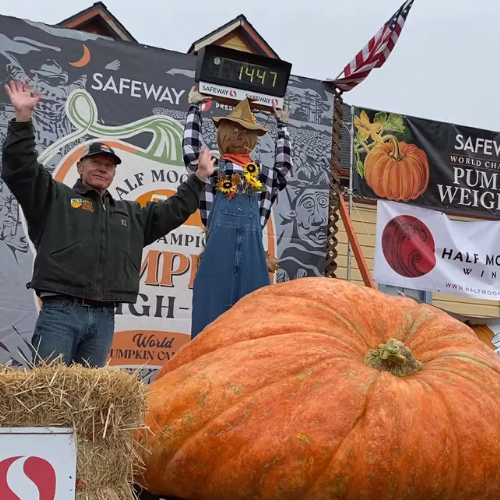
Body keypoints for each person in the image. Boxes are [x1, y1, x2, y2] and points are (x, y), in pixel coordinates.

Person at [1, 79, 215, 367]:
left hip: (104, 317)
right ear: (80, 166)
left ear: (114, 172)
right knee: (47, 400)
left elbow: (172, 210)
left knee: (89, 406)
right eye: (96, 162)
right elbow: (21, 170)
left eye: (109, 164)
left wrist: (199, 177)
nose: (103, 167)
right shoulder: (54, 198)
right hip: (60, 312)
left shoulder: (129, 214)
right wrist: (23, 119)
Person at [183, 88, 292, 338]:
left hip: (253, 260)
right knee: (207, 328)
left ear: (254, 139)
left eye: (247, 132)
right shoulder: (212, 167)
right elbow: (191, 153)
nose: (241, 135)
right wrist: (194, 109)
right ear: (223, 134)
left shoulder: (262, 173)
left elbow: (284, 169)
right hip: (216, 256)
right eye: (235, 129)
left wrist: (282, 125)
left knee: (252, 327)